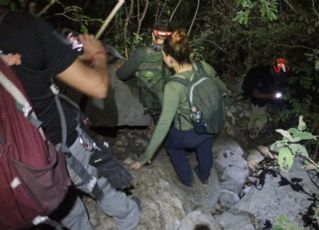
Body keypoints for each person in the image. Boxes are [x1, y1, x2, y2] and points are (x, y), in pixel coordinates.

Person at [0, 9, 141, 230]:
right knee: (94, 183)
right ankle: (129, 215)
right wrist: (98, 55)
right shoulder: (18, 26)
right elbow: (98, 87)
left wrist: (62, 53)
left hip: (16, 162)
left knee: (61, 204)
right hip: (57, 140)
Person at [130, 30, 226, 187]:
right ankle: (204, 175)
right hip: (210, 126)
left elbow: (164, 124)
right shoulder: (203, 67)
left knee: (172, 145)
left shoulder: (174, 86)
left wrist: (145, 157)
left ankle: (187, 181)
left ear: (169, 59)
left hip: (187, 135)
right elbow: (223, 89)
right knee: (205, 145)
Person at [116, 20, 173, 164]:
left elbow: (122, 74)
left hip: (153, 101)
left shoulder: (142, 53)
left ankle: (167, 145)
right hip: (173, 98)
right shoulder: (177, 54)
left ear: (153, 35)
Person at [242, 57, 289, 138]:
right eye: (278, 73)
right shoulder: (260, 74)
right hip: (251, 94)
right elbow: (255, 94)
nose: (279, 75)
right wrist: (271, 96)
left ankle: (253, 130)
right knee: (258, 113)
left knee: (259, 112)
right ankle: (252, 131)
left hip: (261, 95)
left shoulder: (274, 76)